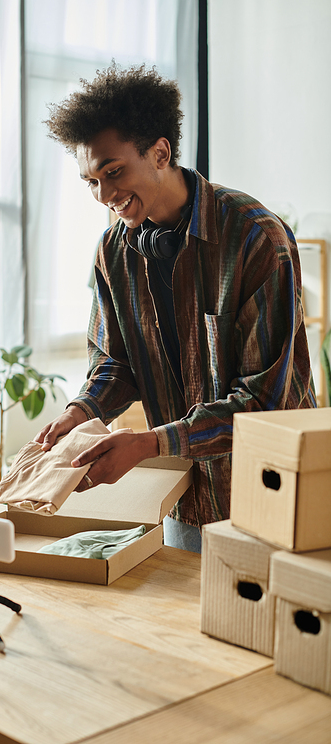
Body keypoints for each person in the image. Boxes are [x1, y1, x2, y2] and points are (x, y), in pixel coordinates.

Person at [35, 63, 316, 552]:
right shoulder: (112, 252)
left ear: (160, 152)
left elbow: (263, 404)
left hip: (275, 500)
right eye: (91, 182)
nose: (105, 196)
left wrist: (148, 444)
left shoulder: (256, 239)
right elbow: (114, 362)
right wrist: (82, 410)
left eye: (114, 171)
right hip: (185, 504)